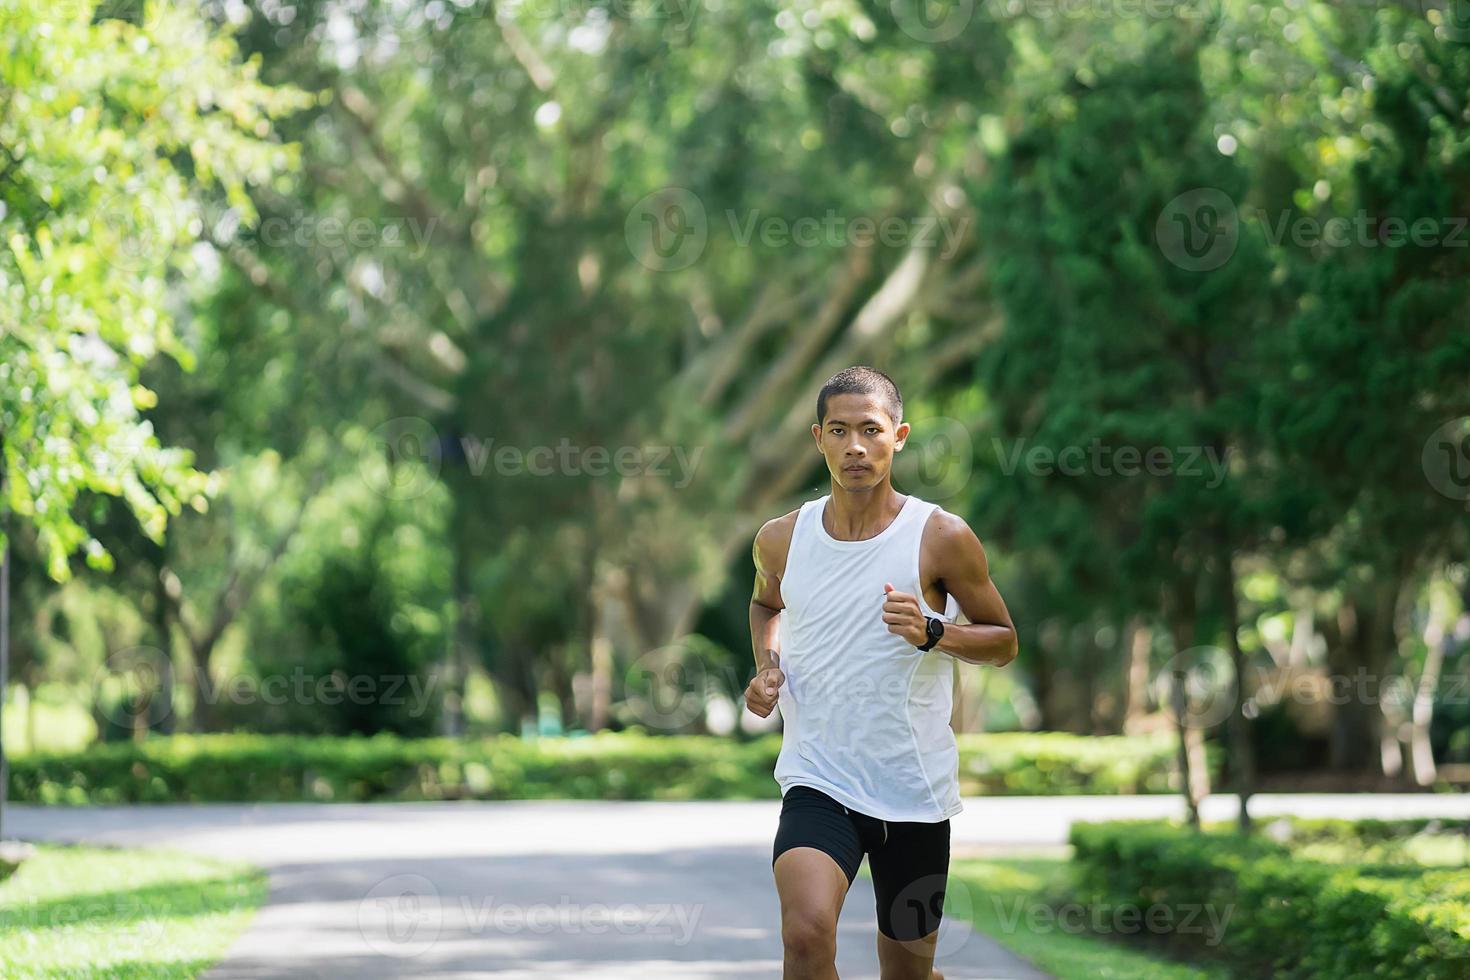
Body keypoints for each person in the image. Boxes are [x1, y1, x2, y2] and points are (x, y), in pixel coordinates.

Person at [745, 366, 1018, 980]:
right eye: (839, 431)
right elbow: (766, 602)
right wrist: (768, 665)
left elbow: (1003, 641)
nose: (855, 447)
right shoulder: (782, 539)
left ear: (900, 436)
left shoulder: (941, 537)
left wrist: (933, 631)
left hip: (911, 789)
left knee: (906, 974)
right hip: (818, 776)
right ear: (818, 438)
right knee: (806, 936)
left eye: (870, 430)